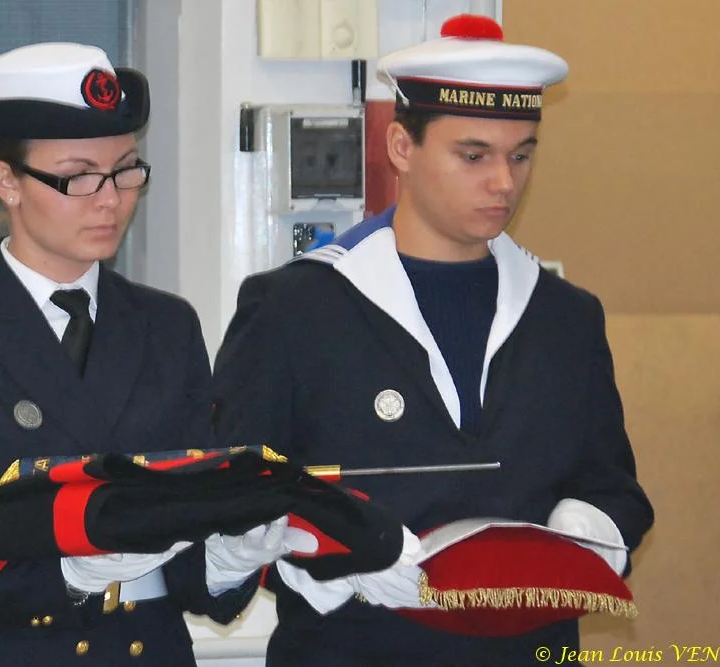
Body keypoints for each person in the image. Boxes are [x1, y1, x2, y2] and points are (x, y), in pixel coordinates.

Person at [211, 15, 654, 666]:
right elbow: (227, 507)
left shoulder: (565, 317)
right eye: (473, 156)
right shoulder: (296, 309)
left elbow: (615, 487)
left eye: (521, 154)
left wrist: (579, 534)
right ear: (401, 146)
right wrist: (324, 560)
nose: (504, 182)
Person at [0, 43, 292, 667]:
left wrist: (232, 555)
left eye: (125, 170)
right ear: (7, 182)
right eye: (78, 177)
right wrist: (66, 576)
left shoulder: (166, 325)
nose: (110, 199)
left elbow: (188, 553)